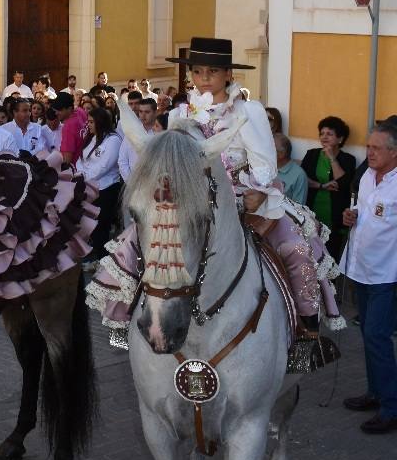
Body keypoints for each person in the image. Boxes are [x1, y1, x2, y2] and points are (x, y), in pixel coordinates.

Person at [87, 37, 343, 343]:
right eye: (197, 71)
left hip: (247, 198)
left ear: (228, 75)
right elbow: (173, 158)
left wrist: (252, 190)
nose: (204, 78)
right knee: (138, 240)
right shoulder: (182, 113)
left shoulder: (249, 111)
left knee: (295, 245)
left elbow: (264, 164)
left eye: (213, 71)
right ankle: (128, 317)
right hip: (193, 199)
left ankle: (305, 328)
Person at [341, 123, 397, 433]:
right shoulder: (366, 178)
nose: (369, 152)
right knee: (369, 337)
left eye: (376, 148)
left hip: (387, 274)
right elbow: (360, 215)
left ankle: (391, 407)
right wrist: (350, 218)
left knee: (377, 335)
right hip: (360, 268)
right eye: (368, 147)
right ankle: (376, 393)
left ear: (394, 152)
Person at [301, 116, 357, 261]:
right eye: (322, 133)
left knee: (330, 258)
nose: (324, 137)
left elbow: (343, 182)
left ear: (340, 139)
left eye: (329, 134)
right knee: (310, 256)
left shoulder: (348, 159)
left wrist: (332, 157)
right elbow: (303, 178)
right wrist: (321, 185)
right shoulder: (312, 154)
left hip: (335, 218)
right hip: (312, 213)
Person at [77, 106, 122, 265]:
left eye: (90, 122)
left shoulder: (113, 140)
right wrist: (80, 174)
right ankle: (96, 256)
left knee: (102, 226)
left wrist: (84, 177)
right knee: (92, 226)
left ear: (100, 122)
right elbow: (81, 159)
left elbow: (104, 166)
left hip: (106, 189)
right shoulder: (92, 138)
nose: (87, 125)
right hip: (90, 188)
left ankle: (104, 260)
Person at [50, 91, 88, 166]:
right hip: (86, 163)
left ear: (69, 108)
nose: (56, 113)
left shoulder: (68, 127)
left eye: (60, 110)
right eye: (56, 109)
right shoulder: (80, 111)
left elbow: (67, 160)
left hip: (75, 169)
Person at [275, 133, 309, 204]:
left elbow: (298, 208)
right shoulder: (266, 167)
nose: (265, 152)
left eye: (269, 148)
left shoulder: (299, 175)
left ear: (282, 154)